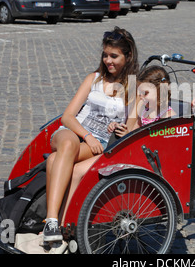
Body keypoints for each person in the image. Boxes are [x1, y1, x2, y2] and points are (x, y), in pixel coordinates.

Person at [43, 27, 139, 242]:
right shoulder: (93, 79)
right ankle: (51, 221)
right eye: (105, 55)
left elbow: (131, 126)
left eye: (114, 56)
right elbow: (67, 117)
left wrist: (123, 128)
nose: (108, 60)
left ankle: (61, 225)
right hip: (71, 134)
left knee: (56, 161)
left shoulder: (133, 88)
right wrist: (87, 136)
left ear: (128, 56)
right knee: (66, 147)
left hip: (101, 143)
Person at [57, 65, 176, 227]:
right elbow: (132, 132)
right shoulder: (143, 109)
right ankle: (63, 220)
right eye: (140, 93)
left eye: (145, 93)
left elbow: (158, 144)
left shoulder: (169, 116)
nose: (141, 97)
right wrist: (117, 127)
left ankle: (65, 224)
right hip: (129, 152)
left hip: (142, 159)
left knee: (78, 171)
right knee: (76, 169)